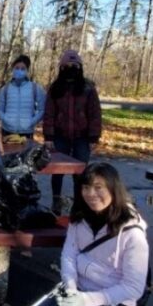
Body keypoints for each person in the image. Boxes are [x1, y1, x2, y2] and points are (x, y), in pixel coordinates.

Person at [24, 162, 149, 306]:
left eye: (99, 187)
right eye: (86, 187)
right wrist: (71, 287)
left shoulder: (132, 233)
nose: (91, 194)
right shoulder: (80, 216)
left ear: (113, 188)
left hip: (113, 301)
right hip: (81, 288)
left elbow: (133, 288)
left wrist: (86, 301)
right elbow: (69, 254)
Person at [43, 49, 102, 215]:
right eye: (67, 65)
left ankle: (79, 203)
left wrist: (93, 136)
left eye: (74, 65)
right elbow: (49, 113)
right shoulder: (55, 88)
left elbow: (95, 113)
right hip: (60, 135)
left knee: (81, 172)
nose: (71, 67)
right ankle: (56, 200)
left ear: (80, 67)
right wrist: (48, 136)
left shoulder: (88, 88)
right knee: (57, 170)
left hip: (82, 137)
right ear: (61, 67)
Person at [0, 55, 46, 142]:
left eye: (23, 68)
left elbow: (42, 110)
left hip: (27, 132)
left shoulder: (35, 88)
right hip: (7, 131)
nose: (19, 70)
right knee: (7, 155)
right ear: (13, 69)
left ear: (27, 71)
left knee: (26, 154)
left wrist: (31, 122)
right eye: (17, 68)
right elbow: (0, 110)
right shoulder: (5, 89)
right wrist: (7, 120)